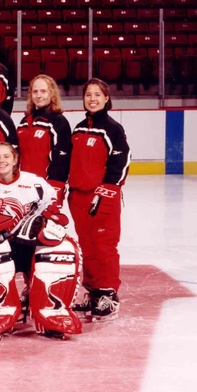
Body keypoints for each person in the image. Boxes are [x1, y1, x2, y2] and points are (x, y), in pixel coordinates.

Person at [0, 142, 81, 339]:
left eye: (6, 157)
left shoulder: (34, 183)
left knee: (62, 250)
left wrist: (49, 219)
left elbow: (52, 207)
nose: (2, 161)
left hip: (28, 245)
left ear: (15, 160)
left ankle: (50, 312)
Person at [68, 78, 130, 320]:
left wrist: (107, 189)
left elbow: (122, 160)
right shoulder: (79, 128)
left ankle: (108, 294)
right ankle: (93, 292)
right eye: (88, 95)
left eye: (97, 94)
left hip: (102, 196)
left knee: (104, 244)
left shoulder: (113, 129)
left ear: (106, 99)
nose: (92, 98)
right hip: (79, 196)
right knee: (87, 245)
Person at [17, 74, 72, 206]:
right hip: (23, 186)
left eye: (43, 91)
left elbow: (63, 158)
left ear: (51, 93)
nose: (38, 95)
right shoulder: (24, 122)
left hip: (47, 187)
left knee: (45, 226)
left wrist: (56, 186)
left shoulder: (58, 121)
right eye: (35, 91)